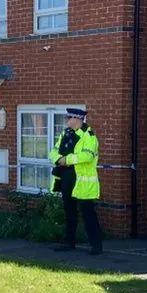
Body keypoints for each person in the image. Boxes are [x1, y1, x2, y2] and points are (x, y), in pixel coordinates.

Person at [47, 108, 102, 255]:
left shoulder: (89, 136)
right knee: (69, 212)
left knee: (88, 214)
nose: (67, 120)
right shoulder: (65, 133)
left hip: (82, 182)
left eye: (68, 118)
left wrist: (67, 159)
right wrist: (58, 159)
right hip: (66, 178)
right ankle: (69, 243)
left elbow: (87, 156)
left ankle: (96, 246)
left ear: (77, 119)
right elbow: (53, 151)